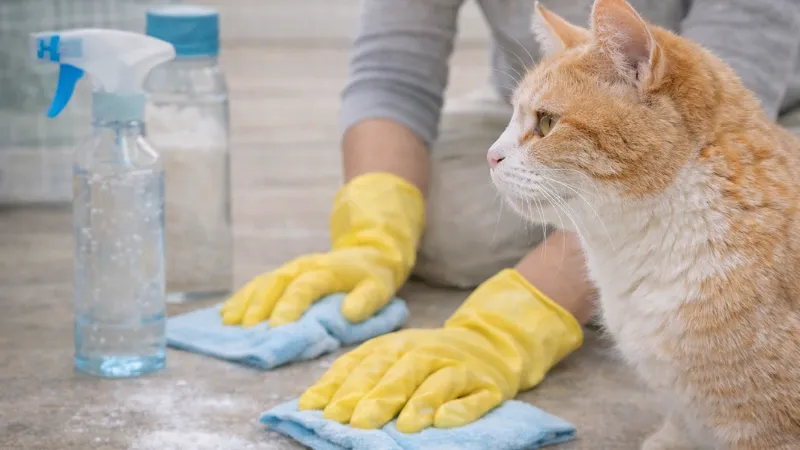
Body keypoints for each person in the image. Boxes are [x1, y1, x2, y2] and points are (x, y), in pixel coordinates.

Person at [221, 0, 800, 433]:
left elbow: (681, 126)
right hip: (544, 102)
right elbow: (390, 72)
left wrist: (508, 326)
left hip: (727, 116)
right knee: (455, 219)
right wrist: (372, 231)